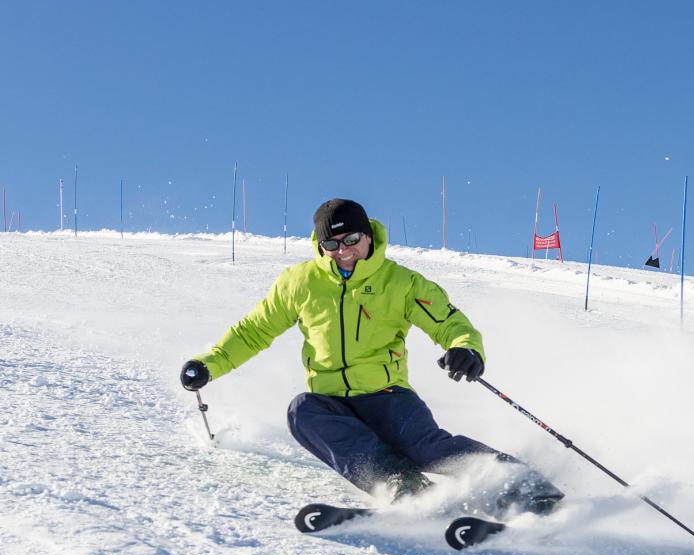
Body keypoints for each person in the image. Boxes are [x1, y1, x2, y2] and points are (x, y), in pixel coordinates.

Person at [180, 198, 563, 518]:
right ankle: (403, 485)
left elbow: (450, 322)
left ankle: (525, 486)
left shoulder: (401, 283)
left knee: (426, 447)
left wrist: (465, 348)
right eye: (332, 245)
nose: (343, 252)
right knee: (302, 411)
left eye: (351, 239)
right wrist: (209, 364)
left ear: (368, 236)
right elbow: (253, 331)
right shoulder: (299, 283)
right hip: (331, 402)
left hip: (388, 396)